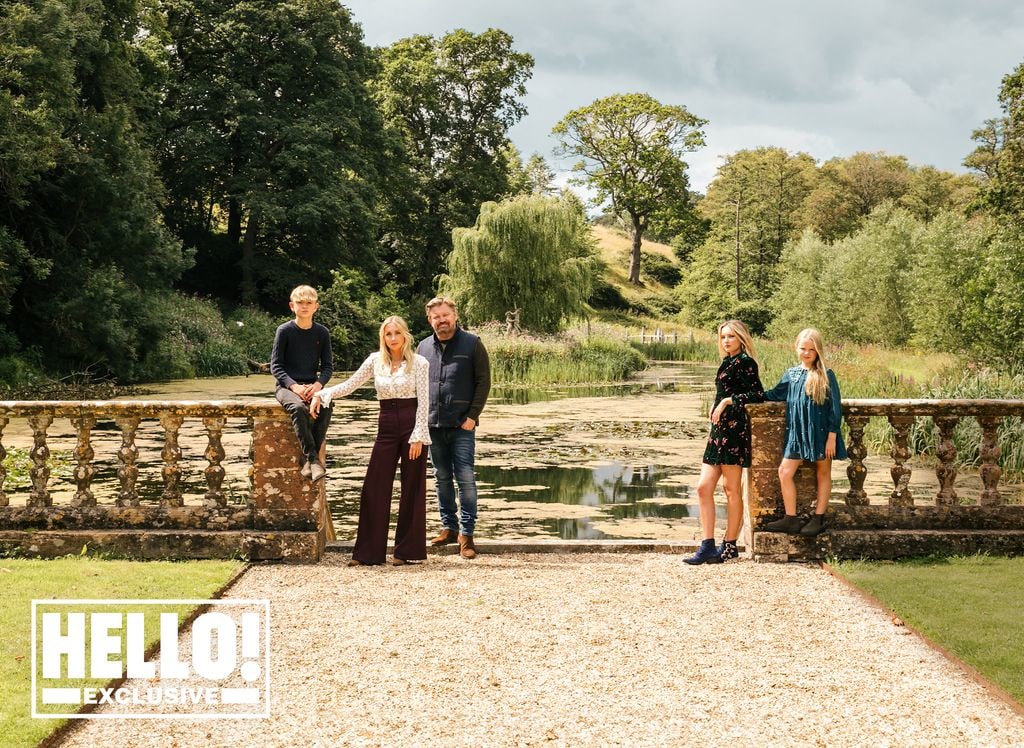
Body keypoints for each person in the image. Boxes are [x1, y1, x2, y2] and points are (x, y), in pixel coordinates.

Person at [311, 316, 430, 566]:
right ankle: (368, 553)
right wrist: (324, 393)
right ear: (383, 337)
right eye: (388, 334)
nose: (393, 338)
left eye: (397, 333)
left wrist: (418, 434)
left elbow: (425, 402)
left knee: (413, 488)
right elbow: (350, 385)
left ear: (406, 335)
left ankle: (406, 552)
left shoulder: (420, 363)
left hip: (412, 425)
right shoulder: (375, 360)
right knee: (374, 488)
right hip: (386, 425)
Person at [416, 297, 491, 560]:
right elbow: (418, 386)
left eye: (446, 315)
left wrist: (472, 416)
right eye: (436, 317)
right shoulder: (423, 347)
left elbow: (483, 382)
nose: (442, 320)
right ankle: (449, 527)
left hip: (462, 425)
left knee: (466, 479)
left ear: (455, 316)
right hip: (433, 424)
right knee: (441, 478)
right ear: (430, 320)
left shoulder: (472, 343)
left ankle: (467, 535)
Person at [685, 319, 765, 565]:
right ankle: (707, 545)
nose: (726, 340)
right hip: (718, 431)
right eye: (723, 337)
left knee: (731, 489)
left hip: (734, 431)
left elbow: (758, 395)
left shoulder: (746, 363)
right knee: (703, 487)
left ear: (741, 338)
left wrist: (727, 401)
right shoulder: (727, 362)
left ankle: (730, 545)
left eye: (731, 336)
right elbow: (724, 390)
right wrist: (716, 402)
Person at [762, 328, 847, 536]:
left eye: (812, 349)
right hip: (796, 434)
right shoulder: (791, 374)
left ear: (818, 351)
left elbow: (835, 407)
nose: (807, 353)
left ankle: (818, 518)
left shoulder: (826, 375)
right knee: (785, 471)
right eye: (803, 348)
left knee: (823, 472)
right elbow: (774, 394)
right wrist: (744, 396)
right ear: (796, 348)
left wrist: (832, 436)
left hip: (820, 433)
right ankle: (791, 518)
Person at [270, 285, 333, 482]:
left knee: (327, 404)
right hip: (286, 386)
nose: (304, 307)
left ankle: (310, 463)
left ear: (316, 306)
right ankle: (312, 459)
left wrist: (317, 385)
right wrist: (294, 387)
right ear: (292, 306)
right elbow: (276, 366)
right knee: (298, 408)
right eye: (300, 303)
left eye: (309, 303)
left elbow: (328, 367)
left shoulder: (322, 333)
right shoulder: (284, 331)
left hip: (311, 385)